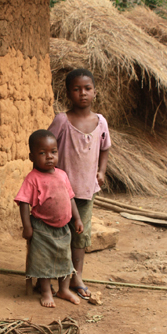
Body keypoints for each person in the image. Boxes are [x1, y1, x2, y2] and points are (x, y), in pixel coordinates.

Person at [48, 68, 111, 300]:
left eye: (87, 89)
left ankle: (77, 277)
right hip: (62, 192)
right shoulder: (62, 121)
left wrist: (101, 171)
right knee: (57, 234)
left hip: (86, 190)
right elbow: (46, 145)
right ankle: (51, 277)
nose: (82, 93)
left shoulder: (100, 122)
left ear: (94, 92)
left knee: (80, 235)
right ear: (68, 92)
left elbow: (105, 149)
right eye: (76, 89)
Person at [15, 130, 84, 308]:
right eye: (42, 153)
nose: (49, 157)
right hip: (42, 227)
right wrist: (27, 227)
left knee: (64, 258)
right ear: (31, 156)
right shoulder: (32, 179)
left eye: (53, 152)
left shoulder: (62, 175)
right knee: (43, 261)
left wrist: (77, 219)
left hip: (63, 228)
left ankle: (64, 289)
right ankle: (46, 291)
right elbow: (23, 202)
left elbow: (70, 198)